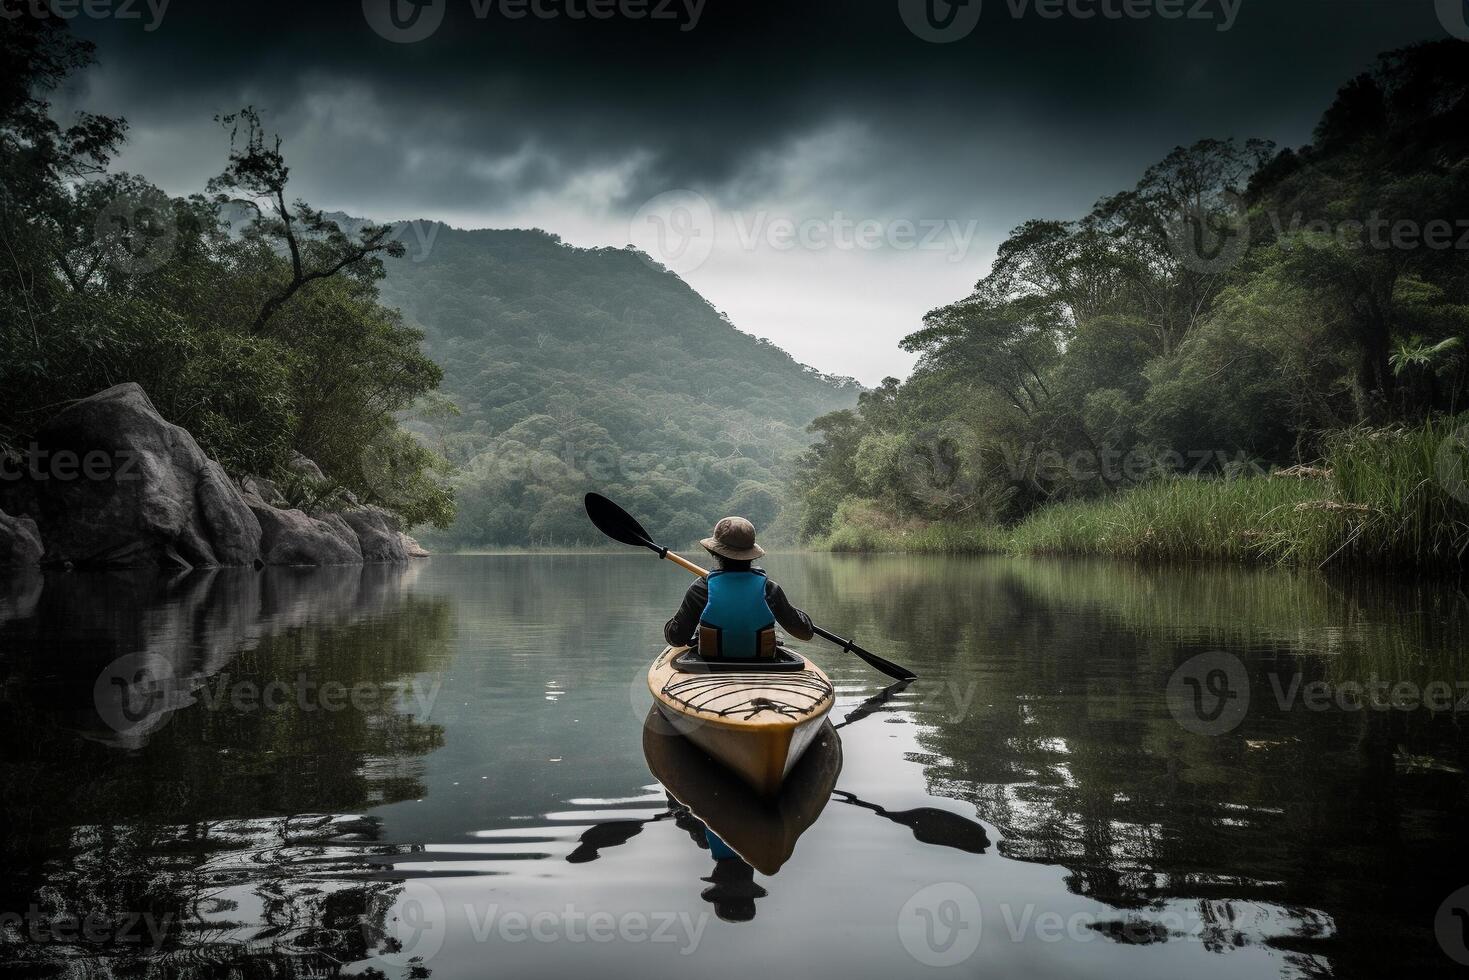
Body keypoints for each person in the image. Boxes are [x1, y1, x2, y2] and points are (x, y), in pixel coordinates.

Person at [663, 516, 814, 659]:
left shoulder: (701, 588)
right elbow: (805, 633)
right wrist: (788, 609)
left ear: (715, 553)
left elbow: (676, 639)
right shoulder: (769, 589)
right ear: (751, 554)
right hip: (762, 661)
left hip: (711, 661)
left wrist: (672, 623)